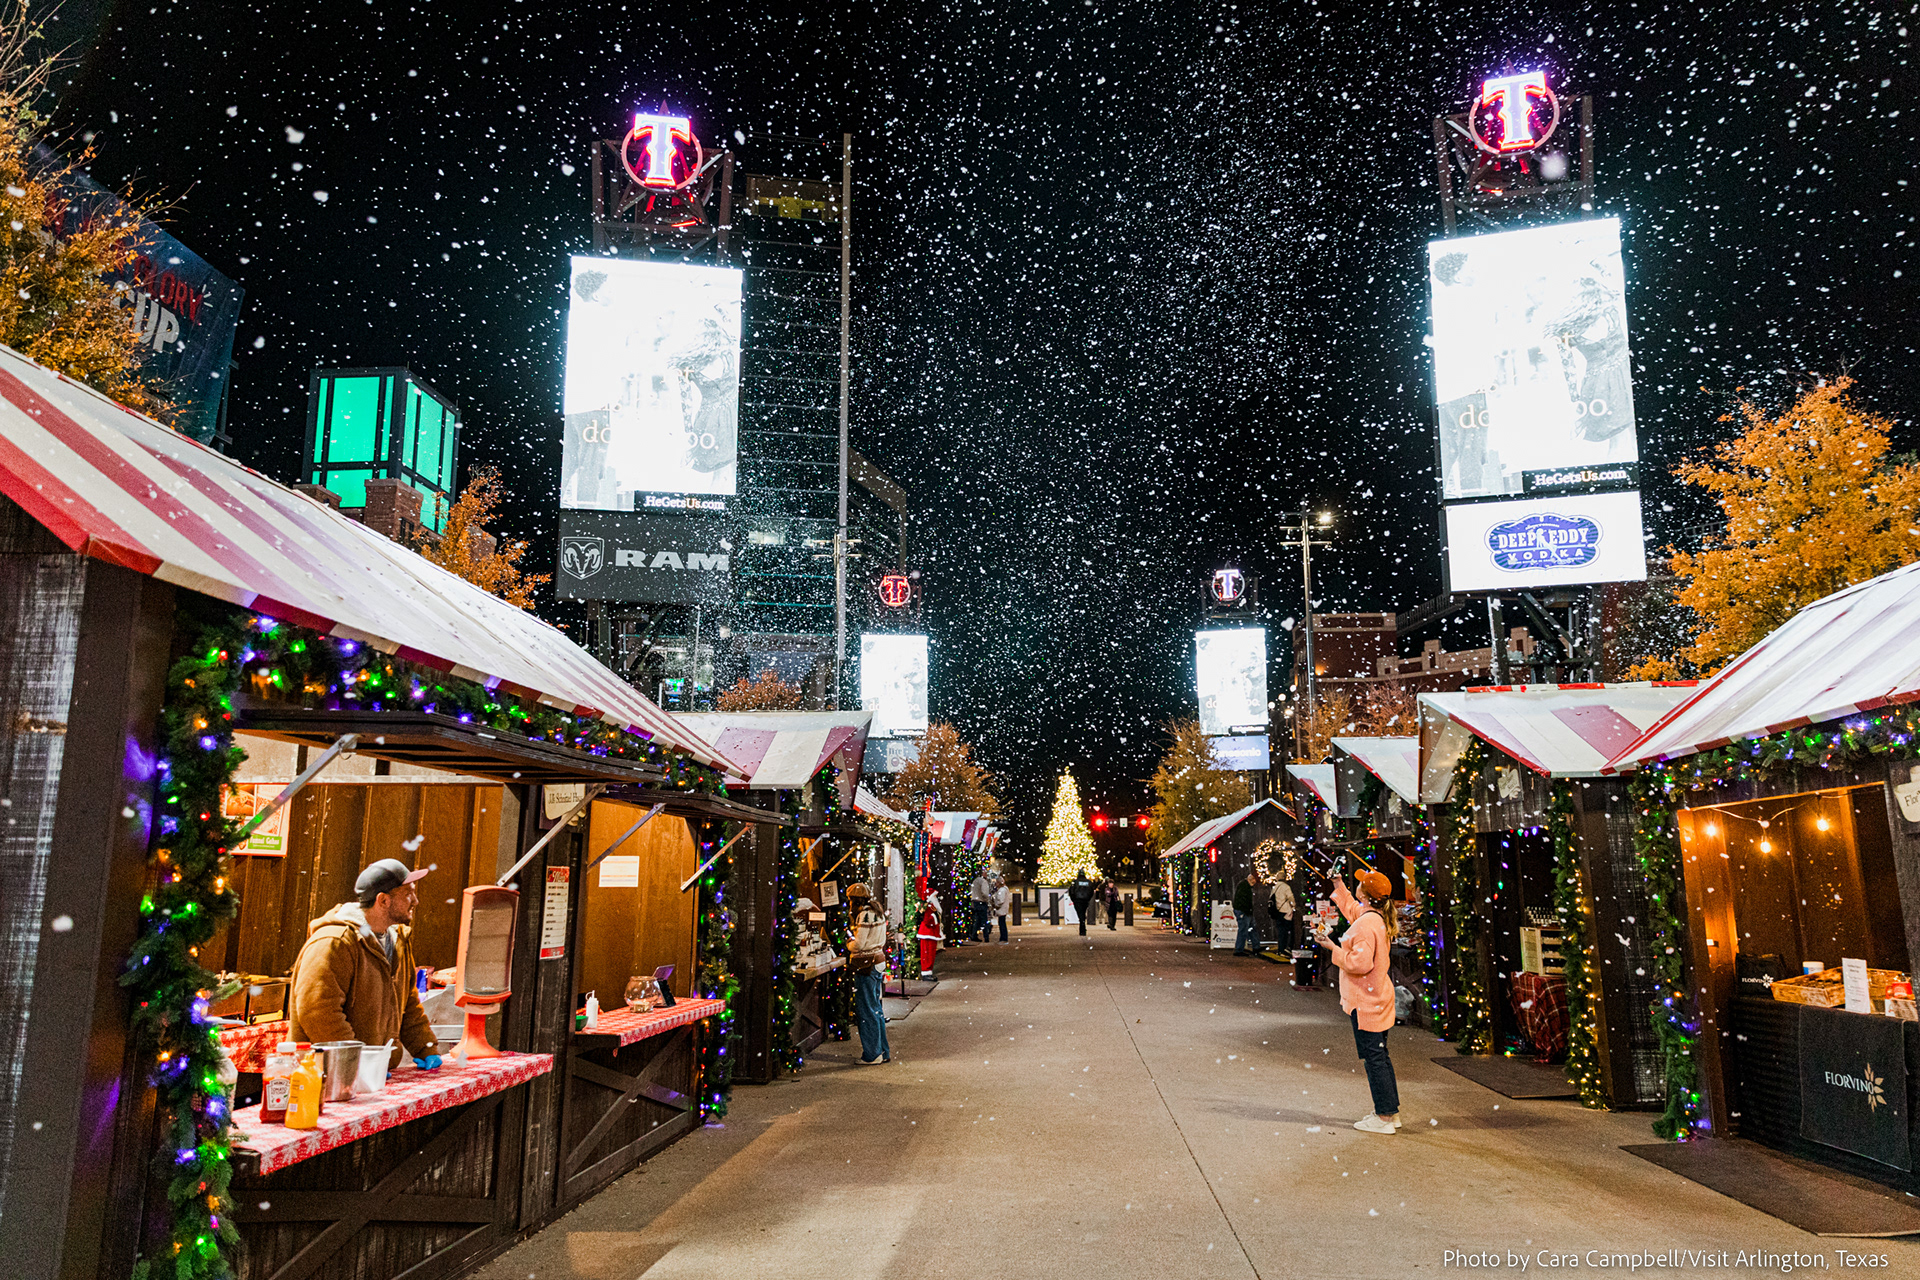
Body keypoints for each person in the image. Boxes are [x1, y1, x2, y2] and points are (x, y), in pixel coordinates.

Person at [289, 858, 441, 1070]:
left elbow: (408, 1004)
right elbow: (318, 1012)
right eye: (408, 894)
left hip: (373, 1076)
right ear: (383, 900)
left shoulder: (398, 941)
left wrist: (425, 1049)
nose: (415, 901)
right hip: (325, 1079)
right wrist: (357, 1066)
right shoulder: (334, 942)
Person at [1317, 869, 1401, 1134]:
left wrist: (1332, 947)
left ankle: (1385, 1117)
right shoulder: (1374, 918)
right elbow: (1352, 909)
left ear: (1364, 894)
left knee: (1373, 1058)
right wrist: (1338, 884)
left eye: (1360, 884)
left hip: (1367, 1002)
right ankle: (1389, 1111)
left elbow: (1358, 964)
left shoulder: (1366, 924)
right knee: (1380, 1056)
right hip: (1378, 998)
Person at [845, 883, 891, 1065]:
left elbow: (859, 944)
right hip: (878, 961)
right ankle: (883, 1050)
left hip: (867, 964)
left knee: (866, 1010)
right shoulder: (877, 911)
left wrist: (849, 942)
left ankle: (872, 1054)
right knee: (876, 1008)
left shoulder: (864, 915)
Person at [1231, 869, 1262, 956]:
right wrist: (1247, 910)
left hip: (1244, 911)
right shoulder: (1245, 887)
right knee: (1245, 930)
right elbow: (1244, 901)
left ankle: (1255, 946)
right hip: (1244, 911)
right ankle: (1239, 949)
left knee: (1250, 929)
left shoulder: (1243, 885)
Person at [916, 890, 943, 980]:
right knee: (927, 954)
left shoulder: (933, 907)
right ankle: (926, 972)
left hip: (931, 934)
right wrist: (935, 919)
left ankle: (929, 971)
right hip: (927, 933)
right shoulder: (929, 907)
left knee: (931, 954)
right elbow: (927, 920)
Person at [1269, 876, 1296, 952]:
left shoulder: (1275, 887)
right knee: (1288, 931)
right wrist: (1293, 905)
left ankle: (1281, 948)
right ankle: (1287, 947)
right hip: (1286, 911)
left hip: (1278, 911)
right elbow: (1291, 898)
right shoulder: (1286, 887)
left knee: (1281, 931)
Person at [1067, 872, 1096, 937]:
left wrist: (1073, 899)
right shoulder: (1089, 882)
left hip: (1077, 900)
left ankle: (1082, 926)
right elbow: (1091, 891)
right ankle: (1082, 925)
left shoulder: (1075, 882)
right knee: (1083, 912)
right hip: (1085, 900)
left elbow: (1071, 891)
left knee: (1080, 914)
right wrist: (1088, 898)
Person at [968, 869, 992, 943]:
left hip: (975, 901)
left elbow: (971, 891)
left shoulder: (975, 881)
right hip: (981, 901)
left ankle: (974, 935)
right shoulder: (983, 881)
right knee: (984, 920)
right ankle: (986, 937)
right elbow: (984, 893)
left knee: (977, 920)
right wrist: (987, 900)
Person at [990, 875, 1012, 943]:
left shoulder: (1001, 890)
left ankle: (1003, 938)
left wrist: (995, 904)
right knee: (1002, 923)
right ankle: (1003, 938)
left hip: (1001, 909)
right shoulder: (1005, 889)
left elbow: (1000, 900)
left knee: (1002, 924)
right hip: (1003, 909)